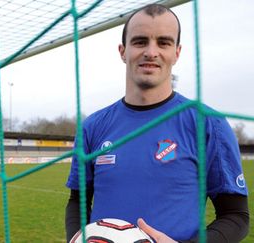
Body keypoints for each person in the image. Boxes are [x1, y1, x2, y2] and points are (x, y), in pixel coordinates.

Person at [65, 4, 249, 243]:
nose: (151, 52)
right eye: (140, 42)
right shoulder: (92, 127)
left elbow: (236, 215)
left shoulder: (208, 123)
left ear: (177, 52)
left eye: (163, 42)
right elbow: (76, 201)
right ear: (123, 51)